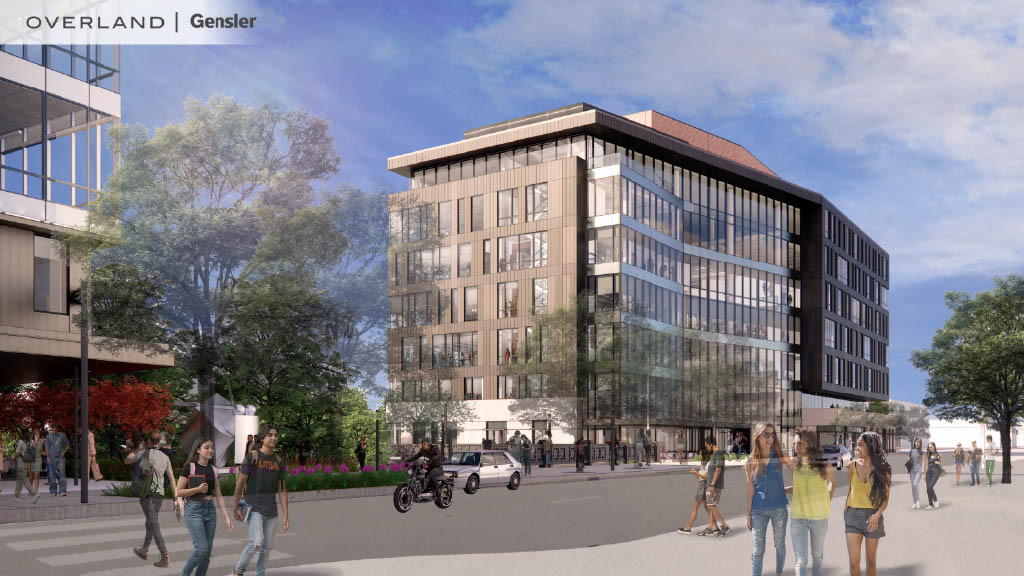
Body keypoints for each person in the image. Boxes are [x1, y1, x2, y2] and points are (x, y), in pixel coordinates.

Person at [231, 424, 289, 576]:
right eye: (270, 435)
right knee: (256, 542)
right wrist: (235, 506)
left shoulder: (278, 461)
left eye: (276, 435)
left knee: (267, 547)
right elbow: (240, 483)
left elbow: (282, 489)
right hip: (254, 508)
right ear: (262, 438)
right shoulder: (252, 457)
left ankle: (260, 574)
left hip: (272, 511)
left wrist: (286, 514)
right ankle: (238, 571)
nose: (273, 438)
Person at [176, 436, 234, 576]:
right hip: (194, 510)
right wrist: (197, 490)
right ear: (198, 450)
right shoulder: (189, 467)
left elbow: (218, 495)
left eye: (211, 448)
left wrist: (227, 517)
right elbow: (178, 491)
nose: (210, 450)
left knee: (207, 553)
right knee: (201, 549)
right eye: (206, 447)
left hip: (210, 510)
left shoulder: (213, 469)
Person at [784, 428, 835, 576]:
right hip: (797, 516)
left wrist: (827, 501)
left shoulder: (824, 466)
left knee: (817, 556)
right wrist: (784, 490)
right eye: (795, 444)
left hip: (819, 517)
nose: (796, 447)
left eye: (800, 443)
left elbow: (832, 483)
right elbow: (799, 487)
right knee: (801, 560)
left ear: (810, 444)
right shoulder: (795, 464)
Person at [126, 429, 178, 568]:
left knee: (154, 524)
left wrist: (136, 448)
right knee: (151, 521)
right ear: (161, 442)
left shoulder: (143, 453)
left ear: (148, 441)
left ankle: (164, 556)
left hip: (147, 494)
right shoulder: (165, 457)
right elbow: (172, 480)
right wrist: (175, 497)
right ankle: (144, 549)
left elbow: (128, 460)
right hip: (159, 495)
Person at [745, 422, 791, 576]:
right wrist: (748, 513)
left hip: (779, 508)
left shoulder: (779, 456)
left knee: (779, 545)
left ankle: (779, 573)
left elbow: (798, 474)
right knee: (757, 550)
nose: (770, 438)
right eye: (766, 434)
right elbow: (751, 488)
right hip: (758, 510)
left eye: (772, 434)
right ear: (757, 436)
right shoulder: (750, 461)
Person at [845, 432, 891, 576]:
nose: (856, 448)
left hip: (873, 518)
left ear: (870, 447)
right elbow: (851, 489)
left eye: (860, 445)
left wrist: (877, 515)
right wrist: (846, 509)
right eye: (856, 445)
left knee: (870, 560)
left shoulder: (883, 469)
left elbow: (885, 498)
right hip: (853, 516)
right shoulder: (852, 465)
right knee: (853, 563)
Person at [679, 448, 717, 535]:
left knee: (695, 508)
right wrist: (695, 474)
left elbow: (706, 477)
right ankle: (715, 527)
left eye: (700, 454)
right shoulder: (704, 464)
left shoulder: (708, 465)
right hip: (702, 486)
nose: (699, 456)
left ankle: (688, 528)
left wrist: (696, 472)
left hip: (702, 487)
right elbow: (701, 478)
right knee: (708, 508)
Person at [704, 435, 730, 537]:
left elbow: (718, 469)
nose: (707, 448)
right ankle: (712, 527)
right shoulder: (716, 453)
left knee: (711, 505)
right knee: (711, 505)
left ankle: (724, 525)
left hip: (714, 485)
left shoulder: (718, 453)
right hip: (712, 484)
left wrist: (712, 484)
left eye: (707, 445)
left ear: (710, 444)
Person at [15, 428, 41, 503]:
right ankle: (17, 496)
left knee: (24, 479)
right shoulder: (30, 442)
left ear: (22, 434)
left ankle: (35, 493)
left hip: (21, 462)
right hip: (27, 462)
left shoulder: (21, 442)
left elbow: (17, 453)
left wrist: (12, 461)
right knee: (19, 479)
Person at [43, 425, 70, 496]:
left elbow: (67, 445)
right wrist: (48, 457)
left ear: (57, 429)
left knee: (62, 474)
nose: (52, 431)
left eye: (54, 429)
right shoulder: (48, 437)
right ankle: (53, 491)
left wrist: (63, 452)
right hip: (51, 458)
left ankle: (62, 491)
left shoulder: (62, 435)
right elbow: (46, 447)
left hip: (60, 458)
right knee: (52, 475)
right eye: (51, 430)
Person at [924, 441, 942, 509]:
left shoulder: (938, 455)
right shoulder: (928, 455)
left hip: (935, 472)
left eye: (931, 447)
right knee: (928, 489)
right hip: (928, 473)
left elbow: (941, 463)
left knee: (930, 487)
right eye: (929, 447)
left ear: (934, 446)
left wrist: (938, 462)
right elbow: (926, 465)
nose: (930, 448)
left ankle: (936, 501)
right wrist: (925, 475)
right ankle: (930, 504)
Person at [908, 438, 923, 509]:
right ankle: (914, 502)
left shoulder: (921, 451)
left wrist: (923, 469)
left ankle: (918, 501)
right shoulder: (911, 451)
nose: (917, 444)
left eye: (919, 443)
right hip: (912, 471)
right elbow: (908, 460)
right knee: (913, 487)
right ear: (914, 442)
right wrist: (907, 469)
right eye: (917, 442)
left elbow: (923, 461)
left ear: (920, 444)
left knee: (915, 484)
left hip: (919, 470)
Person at [30, 429, 43, 494]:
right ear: (34, 435)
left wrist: (46, 454)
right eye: (36, 434)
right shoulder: (31, 442)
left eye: (38, 434)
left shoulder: (41, 441)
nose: (38, 435)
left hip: (38, 459)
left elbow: (41, 451)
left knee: (37, 475)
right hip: (32, 460)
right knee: (31, 476)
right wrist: (35, 444)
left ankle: (36, 491)